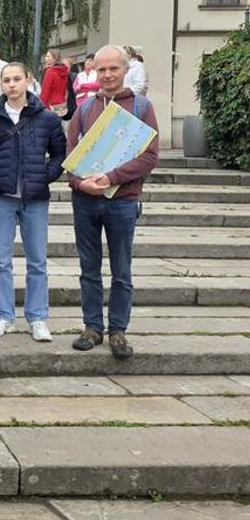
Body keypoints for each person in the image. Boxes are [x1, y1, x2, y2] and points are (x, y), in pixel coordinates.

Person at [68, 45, 159, 359]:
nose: (107, 75)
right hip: (85, 201)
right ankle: (92, 327)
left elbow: (149, 156)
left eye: (113, 69)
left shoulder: (141, 107)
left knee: (122, 269)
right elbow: (71, 157)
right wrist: (80, 182)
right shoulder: (83, 110)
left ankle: (118, 330)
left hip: (122, 201)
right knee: (88, 267)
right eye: (101, 69)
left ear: (125, 70)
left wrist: (111, 178)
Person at [0, 62, 66, 342]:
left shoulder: (47, 118)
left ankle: (37, 317)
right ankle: (4, 315)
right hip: (2, 197)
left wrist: (45, 176)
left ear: (28, 79)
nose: (12, 84)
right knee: (1, 260)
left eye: (17, 78)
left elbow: (60, 154)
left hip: (35, 197)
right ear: (1, 84)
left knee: (37, 260)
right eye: (7, 80)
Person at [40, 49, 69, 116]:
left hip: (51, 105)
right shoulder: (64, 71)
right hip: (62, 104)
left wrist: (41, 106)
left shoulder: (50, 71)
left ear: (54, 58)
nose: (45, 58)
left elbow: (45, 91)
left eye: (48, 56)